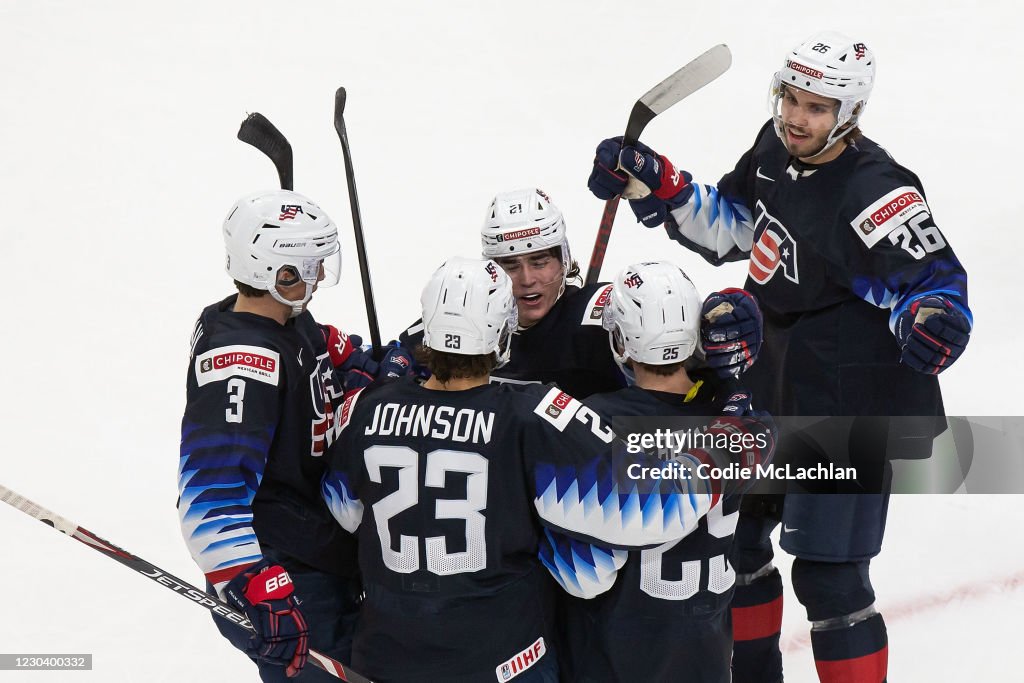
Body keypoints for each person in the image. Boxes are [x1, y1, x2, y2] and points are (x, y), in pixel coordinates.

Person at [587, 31, 972, 683]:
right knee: (735, 544)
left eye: (816, 107)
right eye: (790, 98)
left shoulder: (877, 191)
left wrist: (934, 318)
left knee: (830, 578)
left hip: (849, 402)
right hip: (773, 383)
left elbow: (931, 284)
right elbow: (739, 225)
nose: (796, 116)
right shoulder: (775, 150)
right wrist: (661, 184)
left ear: (848, 114)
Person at [322, 257, 774, 683]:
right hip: (506, 660)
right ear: (502, 333)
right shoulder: (535, 416)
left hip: (386, 654)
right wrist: (737, 429)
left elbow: (344, 511)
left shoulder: (367, 407)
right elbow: (628, 535)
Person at [178, 189, 403, 680]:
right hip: (285, 572)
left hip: (319, 551)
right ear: (274, 274)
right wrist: (257, 587)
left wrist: (378, 369)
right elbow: (211, 497)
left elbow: (339, 357)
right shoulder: (241, 363)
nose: (320, 276)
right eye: (307, 266)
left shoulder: (287, 320)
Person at [544, 261, 762, 683]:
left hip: (617, 660)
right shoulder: (737, 421)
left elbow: (584, 577)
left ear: (622, 341)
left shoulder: (598, 422)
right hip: (705, 658)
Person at [399, 187, 626, 398]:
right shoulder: (465, 315)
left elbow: (658, 409)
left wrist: (661, 195)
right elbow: (402, 357)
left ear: (563, 260)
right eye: (511, 266)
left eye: (539, 263)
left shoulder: (602, 315)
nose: (527, 280)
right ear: (492, 269)